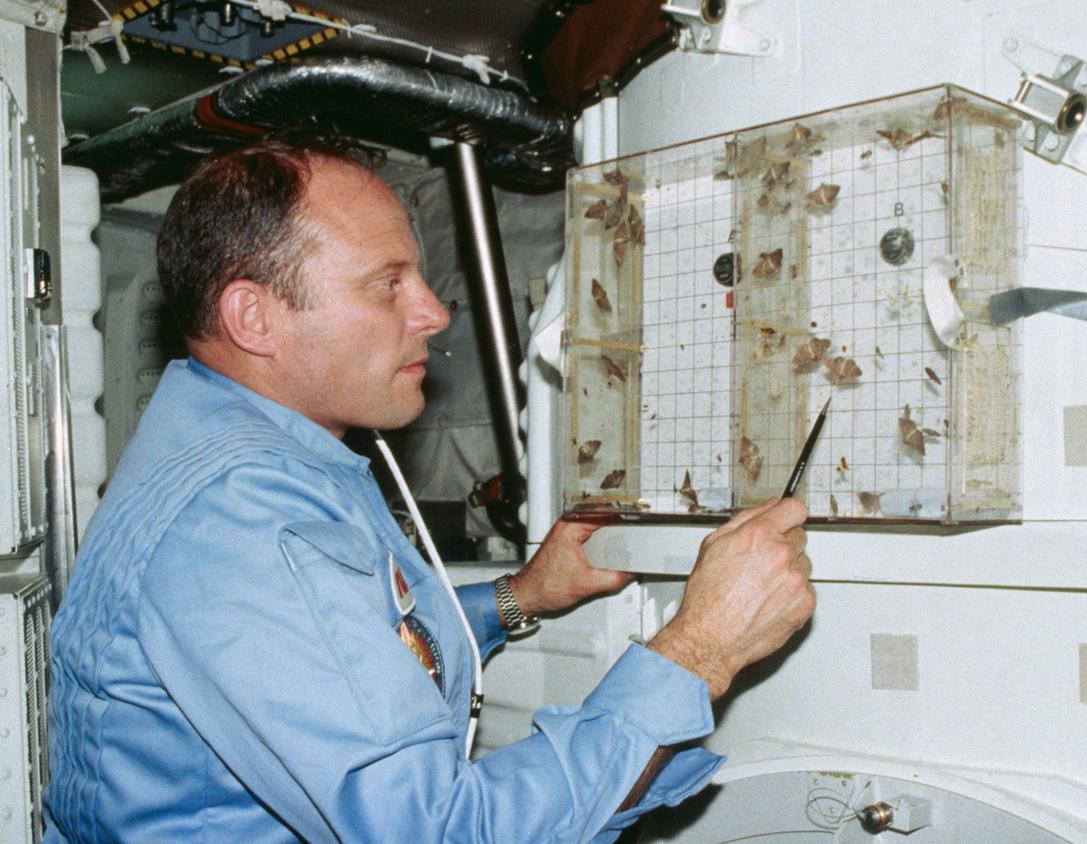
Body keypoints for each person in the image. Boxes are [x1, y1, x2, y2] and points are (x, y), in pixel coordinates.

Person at [44, 135, 815, 842]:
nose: (435, 312)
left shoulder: (258, 452)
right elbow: (439, 832)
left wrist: (522, 597)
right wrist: (701, 650)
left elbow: (354, 641)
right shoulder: (240, 520)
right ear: (255, 317)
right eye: (388, 283)